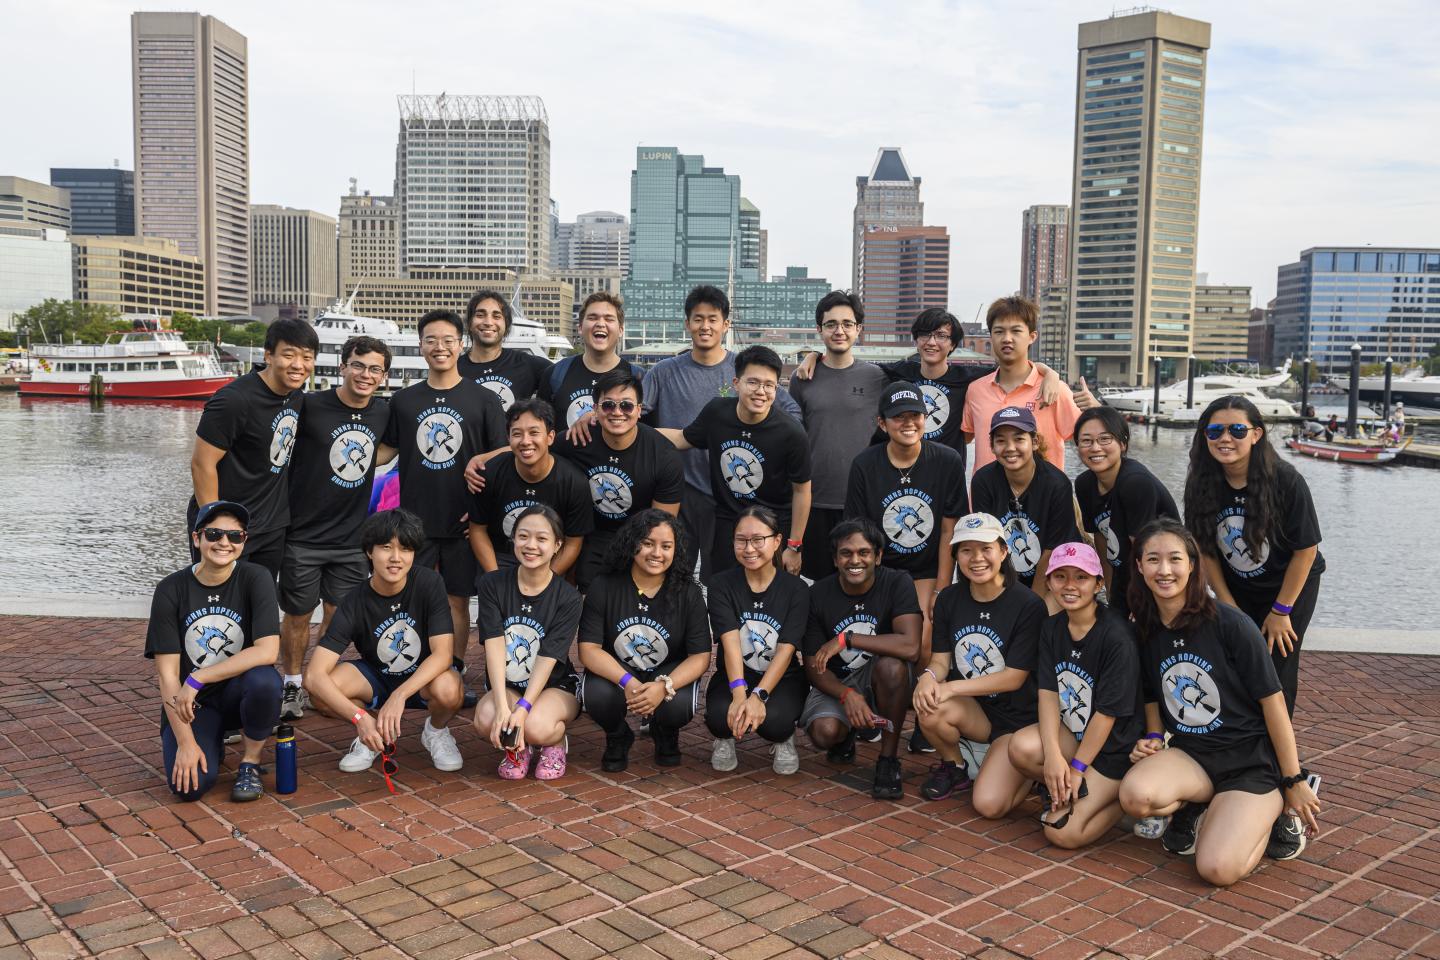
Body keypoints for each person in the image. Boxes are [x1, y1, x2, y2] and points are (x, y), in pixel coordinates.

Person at [1120, 519, 1321, 882]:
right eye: (1152, 559)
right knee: (1135, 796)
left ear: (1193, 564)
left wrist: (1292, 778)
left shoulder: (1229, 624)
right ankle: (1203, 806)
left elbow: (1273, 703)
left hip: (1251, 762)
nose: (1164, 570)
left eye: (1175, 559)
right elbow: (1152, 694)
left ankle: (1278, 811)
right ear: (1139, 566)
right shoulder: (1145, 628)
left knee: (1217, 869)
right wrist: (1152, 739)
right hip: (1193, 755)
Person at [639, 285, 801, 585]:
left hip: (730, 495)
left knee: (723, 578)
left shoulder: (746, 369)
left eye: (713, 319)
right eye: (698, 319)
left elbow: (790, 414)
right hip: (681, 490)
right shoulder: (664, 371)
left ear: (726, 324)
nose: (705, 326)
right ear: (687, 323)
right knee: (673, 573)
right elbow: (632, 416)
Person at [792, 306, 1068, 477]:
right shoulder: (900, 372)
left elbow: (1014, 366)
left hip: (947, 475)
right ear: (916, 340)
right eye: (925, 335)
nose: (932, 342)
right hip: (903, 471)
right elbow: (852, 364)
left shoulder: (970, 378)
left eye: (941, 336)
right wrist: (814, 355)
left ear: (952, 344)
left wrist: (1048, 372)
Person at [376, 309, 507, 667]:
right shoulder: (403, 401)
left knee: (456, 600)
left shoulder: (484, 400)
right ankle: (408, 665)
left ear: (461, 345)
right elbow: (386, 450)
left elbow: (503, 452)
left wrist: (484, 507)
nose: (440, 347)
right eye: (431, 340)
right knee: (408, 597)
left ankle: (454, 668)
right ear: (421, 346)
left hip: (463, 520)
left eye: (448, 340)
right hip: (414, 520)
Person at [1182, 396, 1324, 717]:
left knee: (1276, 668)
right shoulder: (1201, 484)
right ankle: (1244, 742)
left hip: (1290, 586)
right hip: (1238, 586)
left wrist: (1281, 610)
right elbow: (1205, 550)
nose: (1225, 439)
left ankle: (1278, 758)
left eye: (1237, 430)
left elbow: (1306, 550)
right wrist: (1228, 604)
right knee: (1235, 660)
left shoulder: (1286, 481)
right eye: (1215, 430)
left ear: (1256, 434)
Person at [278, 335, 393, 720]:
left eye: (374, 368)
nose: (365, 374)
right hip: (303, 534)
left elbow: (388, 447)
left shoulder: (383, 412)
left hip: (350, 537)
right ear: (342, 366)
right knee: (297, 614)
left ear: (384, 376)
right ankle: (292, 684)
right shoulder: (310, 405)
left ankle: (320, 678)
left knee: (338, 614)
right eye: (358, 365)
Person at [304, 509, 466, 774]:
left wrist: (400, 696)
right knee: (323, 692)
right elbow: (313, 675)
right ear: (369, 552)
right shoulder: (354, 600)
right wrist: (360, 718)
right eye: (386, 547)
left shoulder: (429, 583)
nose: (395, 558)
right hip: (378, 676)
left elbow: (443, 655)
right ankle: (373, 733)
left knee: (449, 687)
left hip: (423, 679)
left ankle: (435, 731)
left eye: (405, 549)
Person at [1008, 543, 1143, 849]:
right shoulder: (1052, 628)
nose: (1069, 586)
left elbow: (1107, 714)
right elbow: (1048, 693)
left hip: (1113, 749)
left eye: (1081, 577)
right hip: (1076, 734)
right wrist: (1054, 757)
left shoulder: (1116, 636)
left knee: (1059, 831)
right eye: (1061, 576)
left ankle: (1119, 799)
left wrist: (1077, 768)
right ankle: (1072, 790)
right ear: (1049, 581)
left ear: (1098, 583)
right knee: (1022, 749)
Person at [146, 501, 283, 802]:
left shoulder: (256, 578)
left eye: (235, 536)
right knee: (189, 788)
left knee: (266, 683)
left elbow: (268, 651)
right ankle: (210, 743)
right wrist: (185, 742)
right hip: (193, 706)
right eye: (215, 534)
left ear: (244, 541)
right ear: (197, 538)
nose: (224, 542)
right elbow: (167, 675)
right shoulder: (171, 589)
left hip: (237, 691)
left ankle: (250, 762)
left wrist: (198, 678)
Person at [914, 514, 1047, 814]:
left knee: (989, 806)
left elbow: (1014, 677)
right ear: (956, 556)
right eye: (966, 550)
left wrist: (950, 687)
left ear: (1003, 551)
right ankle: (956, 764)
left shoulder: (1028, 605)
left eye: (986, 548)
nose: (976, 558)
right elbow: (940, 660)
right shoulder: (949, 599)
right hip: (976, 714)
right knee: (928, 703)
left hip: (1017, 723)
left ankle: (1022, 770)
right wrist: (927, 677)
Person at [660, 345, 812, 577]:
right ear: (736, 383)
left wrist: (794, 546)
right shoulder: (717, 413)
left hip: (772, 526)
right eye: (753, 382)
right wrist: (631, 430)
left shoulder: (791, 432)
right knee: (722, 590)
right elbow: (682, 438)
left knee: (769, 598)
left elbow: (802, 492)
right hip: (728, 522)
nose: (761, 391)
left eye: (769, 385)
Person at [578, 510, 712, 771]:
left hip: (666, 672)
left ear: (676, 550)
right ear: (632, 543)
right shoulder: (604, 586)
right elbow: (588, 649)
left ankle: (665, 731)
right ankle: (618, 735)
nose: (657, 553)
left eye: (666, 546)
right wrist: (627, 681)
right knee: (597, 694)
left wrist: (664, 687)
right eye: (648, 543)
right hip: (620, 671)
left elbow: (700, 656)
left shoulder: (689, 593)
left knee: (679, 704)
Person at [800, 520, 923, 799]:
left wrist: (847, 638)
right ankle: (845, 736)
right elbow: (813, 666)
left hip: (879, 678)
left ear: (878, 556)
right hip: (838, 681)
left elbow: (910, 646)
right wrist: (846, 695)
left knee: (892, 668)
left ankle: (888, 760)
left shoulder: (897, 582)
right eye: (846, 553)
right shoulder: (817, 594)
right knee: (823, 733)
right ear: (835, 559)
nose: (855, 560)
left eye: (864, 552)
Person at [189, 318, 318, 577]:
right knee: (221, 606)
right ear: (269, 356)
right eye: (288, 355)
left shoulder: (295, 397)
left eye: (307, 357)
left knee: (261, 604)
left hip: (271, 527)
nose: (298, 365)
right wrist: (216, 526)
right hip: (228, 527)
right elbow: (202, 464)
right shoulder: (234, 400)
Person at [473, 506, 584, 780]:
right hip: (509, 683)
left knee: (536, 725)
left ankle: (554, 742)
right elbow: (495, 644)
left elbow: (549, 656)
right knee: (486, 719)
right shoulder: (492, 584)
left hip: (554, 685)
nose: (531, 545)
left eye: (541, 539)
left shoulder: (568, 597)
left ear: (557, 545)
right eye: (523, 536)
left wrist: (522, 710)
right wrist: (501, 705)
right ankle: (518, 747)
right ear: (513, 540)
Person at [788, 291, 892, 580]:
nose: (839, 331)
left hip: (863, 500)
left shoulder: (878, 377)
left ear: (859, 329)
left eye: (847, 324)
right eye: (831, 324)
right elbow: (792, 436)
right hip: (814, 499)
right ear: (819, 330)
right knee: (818, 584)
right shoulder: (802, 379)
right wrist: (812, 356)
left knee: (862, 582)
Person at [551, 368, 684, 590]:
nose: (617, 412)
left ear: (639, 410)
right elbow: (531, 449)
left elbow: (663, 526)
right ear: (595, 409)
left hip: (641, 536)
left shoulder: (663, 456)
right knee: (588, 590)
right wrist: (483, 459)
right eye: (608, 405)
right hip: (591, 533)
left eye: (626, 405)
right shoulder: (578, 439)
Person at [845, 381, 967, 617]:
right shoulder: (864, 464)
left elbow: (948, 532)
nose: (908, 423)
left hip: (926, 571)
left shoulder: (948, 461)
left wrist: (941, 590)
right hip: (880, 569)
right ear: (882, 423)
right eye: (899, 416)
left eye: (915, 415)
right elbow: (858, 531)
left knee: (922, 642)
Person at [704, 506, 811, 776]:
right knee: (720, 718)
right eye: (741, 540)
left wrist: (759, 696)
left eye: (758, 540)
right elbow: (729, 643)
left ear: (777, 541)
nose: (749, 548)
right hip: (736, 673)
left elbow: (787, 650)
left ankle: (784, 738)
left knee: (775, 723)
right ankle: (725, 738)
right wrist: (740, 695)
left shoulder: (796, 589)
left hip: (782, 677)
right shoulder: (720, 585)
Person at [1072, 406, 1179, 618]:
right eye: (1086, 441)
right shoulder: (1085, 484)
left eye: (1105, 439)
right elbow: (1101, 538)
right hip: (1125, 575)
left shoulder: (1135, 482)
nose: (1095, 448)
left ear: (1122, 444)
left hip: (1162, 576)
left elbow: (1144, 549)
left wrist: (1142, 602)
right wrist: (1110, 593)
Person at [962, 296, 1090, 473]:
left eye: (1016, 331)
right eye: (999, 331)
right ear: (990, 336)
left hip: (1041, 497)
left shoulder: (1054, 389)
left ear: (1032, 337)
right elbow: (964, 437)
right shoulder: (976, 390)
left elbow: (1088, 439)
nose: (1007, 338)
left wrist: (1095, 408)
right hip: (985, 498)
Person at [969, 406, 1081, 608]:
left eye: (1019, 439)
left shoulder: (1057, 483)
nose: (1010, 448)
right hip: (1003, 576)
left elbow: (1051, 551)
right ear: (992, 446)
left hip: (1054, 574)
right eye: (1001, 440)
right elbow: (987, 542)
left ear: (1035, 442)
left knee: (1043, 616)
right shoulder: (983, 481)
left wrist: (1031, 605)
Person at [467, 398, 592, 576]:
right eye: (517, 434)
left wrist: (545, 581)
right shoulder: (491, 473)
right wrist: (494, 578)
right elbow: (477, 530)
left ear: (550, 437)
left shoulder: (574, 482)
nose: (526, 441)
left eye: (534, 433)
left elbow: (573, 543)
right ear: (508, 438)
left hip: (549, 561)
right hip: (501, 557)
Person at [539, 292, 646, 428]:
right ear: (580, 328)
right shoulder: (555, 374)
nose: (601, 324)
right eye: (592, 317)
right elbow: (541, 428)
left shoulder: (638, 377)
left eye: (609, 319)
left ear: (620, 330)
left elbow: (646, 432)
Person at [457, 289, 552, 410]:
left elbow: (568, 380)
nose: (488, 322)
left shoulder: (527, 365)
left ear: (506, 324)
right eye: (480, 315)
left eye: (496, 316)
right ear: (469, 323)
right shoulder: (454, 369)